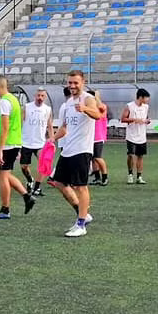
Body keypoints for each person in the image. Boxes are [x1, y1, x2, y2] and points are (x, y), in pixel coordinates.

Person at [53, 71, 102, 238]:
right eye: (70, 83)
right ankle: (83, 214)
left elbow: (98, 115)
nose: (72, 86)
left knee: (81, 187)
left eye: (75, 83)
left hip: (82, 150)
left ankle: (81, 224)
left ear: (83, 82)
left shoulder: (88, 98)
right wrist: (52, 139)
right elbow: (64, 127)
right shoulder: (68, 103)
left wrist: (85, 109)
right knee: (58, 182)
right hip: (68, 149)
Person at [0, 75, 36, 219]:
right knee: (4, 174)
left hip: (7, 144)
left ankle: (5, 209)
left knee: (3, 176)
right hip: (14, 143)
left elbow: (5, 128)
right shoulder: (13, 99)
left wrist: (0, 150)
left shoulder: (4, 102)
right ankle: (27, 197)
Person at [20, 86, 54, 196]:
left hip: (40, 143)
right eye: (38, 95)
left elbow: (50, 125)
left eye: (42, 96)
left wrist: (52, 139)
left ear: (45, 97)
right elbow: (20, 123)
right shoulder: (27, 107)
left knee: (43, 164)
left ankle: (37, 188)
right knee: (24, 166)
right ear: (35, 96)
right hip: (26, 142)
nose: (40, 98)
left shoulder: (47, 109)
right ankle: (30, 180)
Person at [121, 88, 151, 185]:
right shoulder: (129, 106)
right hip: (131, 136)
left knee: (140, 156)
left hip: (142, 136)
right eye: (146, 98)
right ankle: (130, 175)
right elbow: (123, 119)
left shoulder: (146, 107)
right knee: (130, 155)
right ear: (140, 97)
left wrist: (147, 121)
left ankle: (139, 176)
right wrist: (134, 119)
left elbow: (146, 118)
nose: (147, 100)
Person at [89, 89, 109, 186]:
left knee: (98, 157)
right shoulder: (89, 109)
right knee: (93, 158)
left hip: (98, 137)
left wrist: (96, 97)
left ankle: (105, 177)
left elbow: (101, 107)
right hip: (89, 137)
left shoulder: (101, 106)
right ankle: (97, 178)